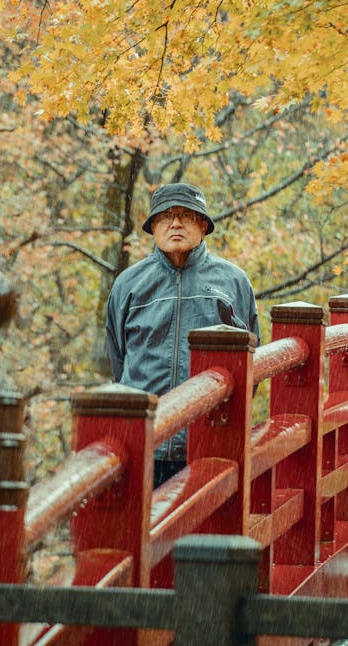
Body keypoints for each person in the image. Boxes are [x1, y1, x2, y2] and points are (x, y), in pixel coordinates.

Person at [106, 183, 259, 486]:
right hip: (145, 441)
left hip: (210, 440)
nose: (175, 223)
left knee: (202, 530)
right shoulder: (129, 284)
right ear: (153, 227)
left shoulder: (232, 282)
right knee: (146, 531)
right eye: (166, 217)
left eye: (186, 216)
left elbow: (250, 364)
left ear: (203, 225)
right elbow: (119, 360)